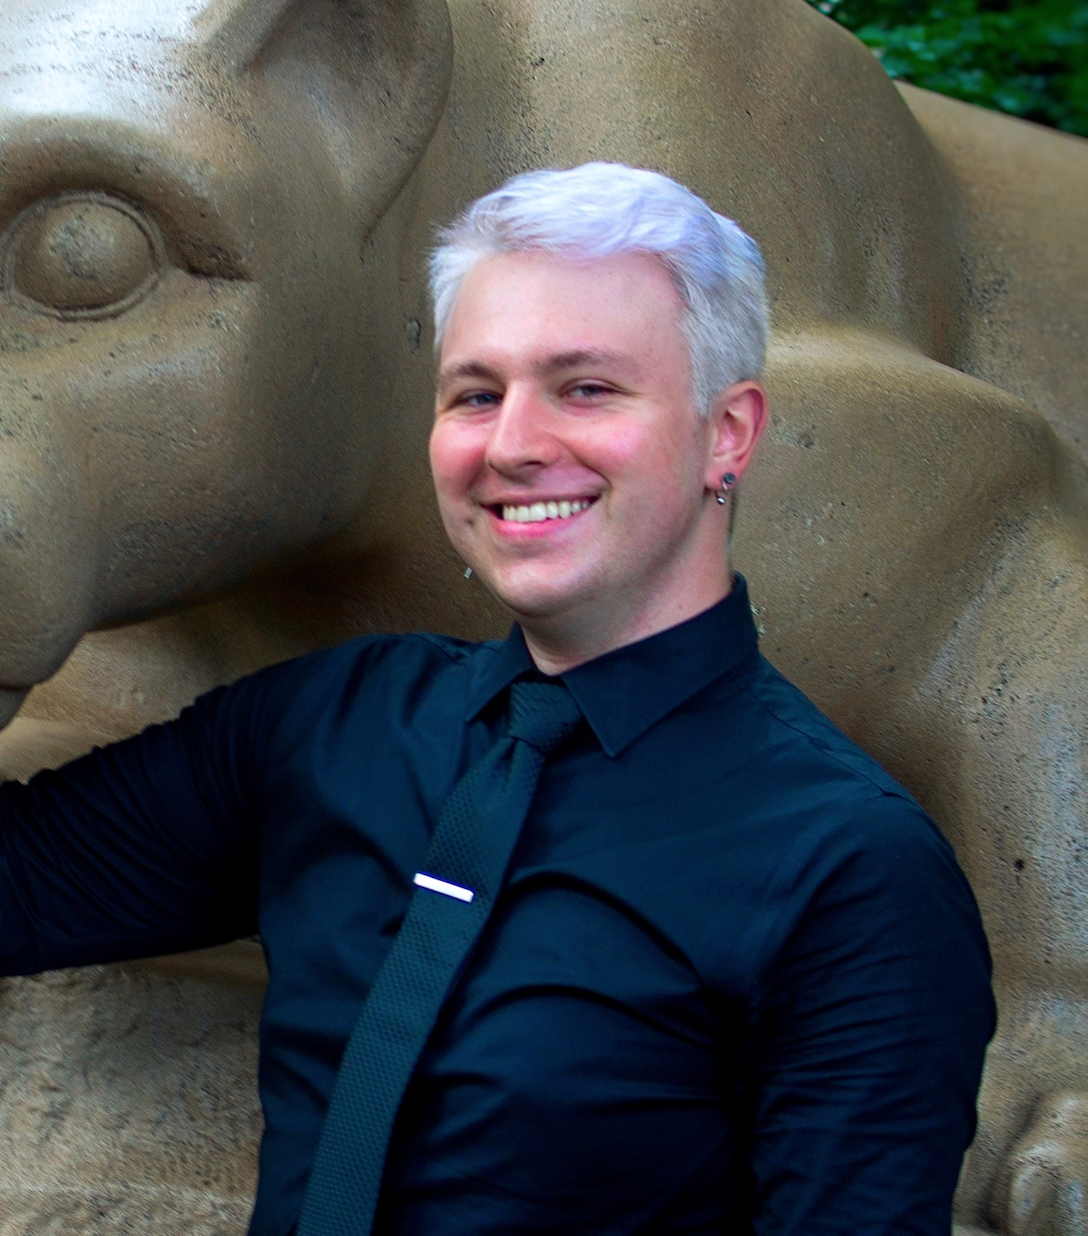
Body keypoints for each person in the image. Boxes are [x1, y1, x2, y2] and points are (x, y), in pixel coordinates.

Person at [0, 163, 993, 1234]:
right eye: (475, 394)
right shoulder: (330, 726)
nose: (513, 445)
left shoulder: (850, 867)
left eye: (586, 388)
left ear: (727, 433)